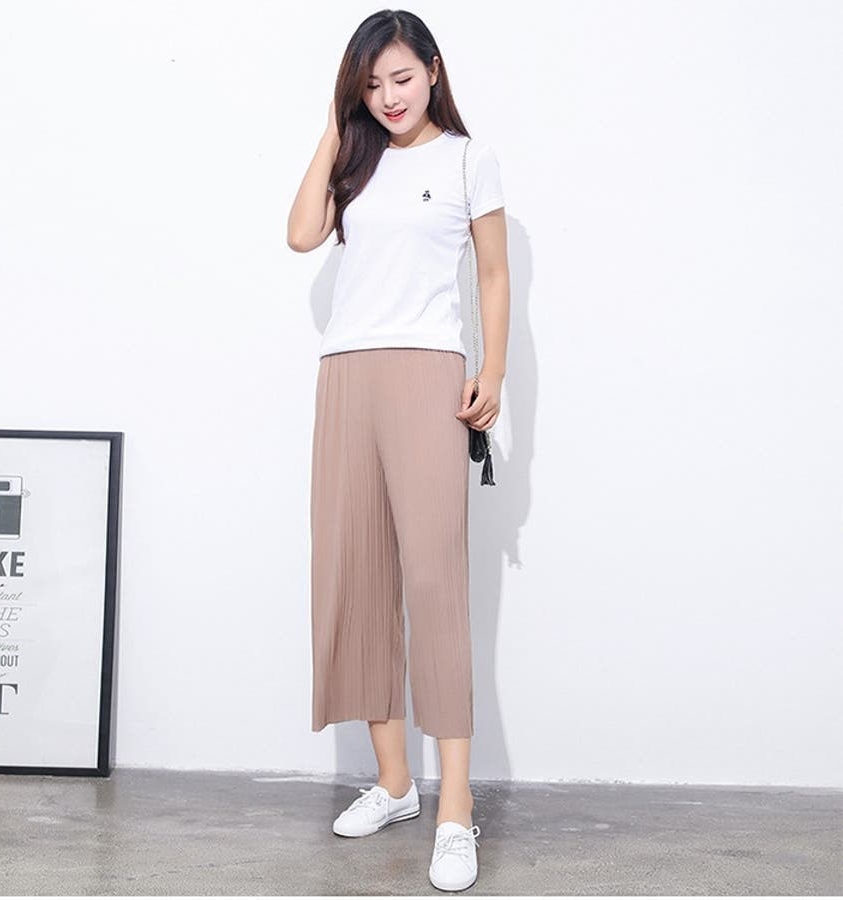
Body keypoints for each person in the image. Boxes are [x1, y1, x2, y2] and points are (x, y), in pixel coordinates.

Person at [286, 8, 509, 893]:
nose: (388, 97)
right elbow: (301, 234)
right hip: (345, 372)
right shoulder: (358, 157)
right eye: (371, 84)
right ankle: (393, 783)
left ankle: (454, 805)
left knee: (433, 582)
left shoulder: (467, 159)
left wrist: (493, 368)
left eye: (402, 79)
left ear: (434, 71)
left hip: (427, 371)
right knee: (355, 574)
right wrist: (333, 127)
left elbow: (493, 272)